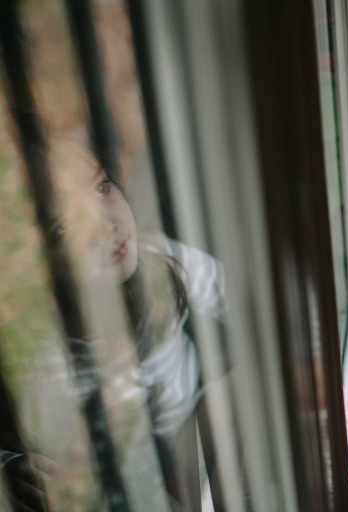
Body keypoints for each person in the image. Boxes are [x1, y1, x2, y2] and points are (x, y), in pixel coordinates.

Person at [1, 147, 226, 510]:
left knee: (227, 396)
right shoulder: (48, 373)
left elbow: (246, 296)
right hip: (126, 484)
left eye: (102, 187)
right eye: (62, 226)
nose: (108, 224)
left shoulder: (160, 263)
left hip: (193, 439)